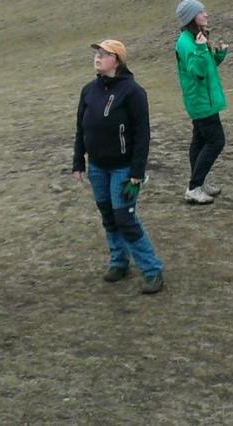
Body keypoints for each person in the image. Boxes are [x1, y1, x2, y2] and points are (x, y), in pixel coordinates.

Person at [72, 39, 164, 294]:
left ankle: (152, 270)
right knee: (108, 216)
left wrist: (137, 172)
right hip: (97, 168)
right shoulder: (88, 90)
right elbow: (81, 128)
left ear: (117, 60)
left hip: (124, 169)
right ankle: (118, 261)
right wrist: (79, 160)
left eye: (104, 54)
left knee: (125, 217)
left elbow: (142, 134)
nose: (97, 57)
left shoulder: (133, 92)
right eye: (96, 53)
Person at [174, 0, 229, 204]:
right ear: (191, 17)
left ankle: (199, 182)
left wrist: (219, 54)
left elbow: (207, 66)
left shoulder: (196, 38)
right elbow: (196, 71)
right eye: (201, 12)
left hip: (204, 99)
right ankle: (194, 187)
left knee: (199, 141)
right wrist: (199, 49)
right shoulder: (187, 43)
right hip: (200, 101)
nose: (206, 14)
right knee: (216, 141)